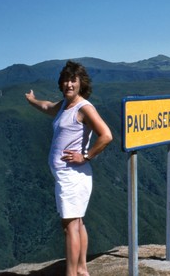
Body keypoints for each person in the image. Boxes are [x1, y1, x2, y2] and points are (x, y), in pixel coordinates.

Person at [25, 60, 113, 276]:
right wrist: (32, 100)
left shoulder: (84, 108)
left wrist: (85, 156)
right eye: (65, 80)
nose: (68, 85)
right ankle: (82, 269)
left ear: (81, 83)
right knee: (78, 222)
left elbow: (106, 135)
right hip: (69, 176)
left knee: (69, 226)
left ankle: (71, 273)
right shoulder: (65, 105)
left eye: (72, 80)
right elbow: (47, 107)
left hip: (72, 176)